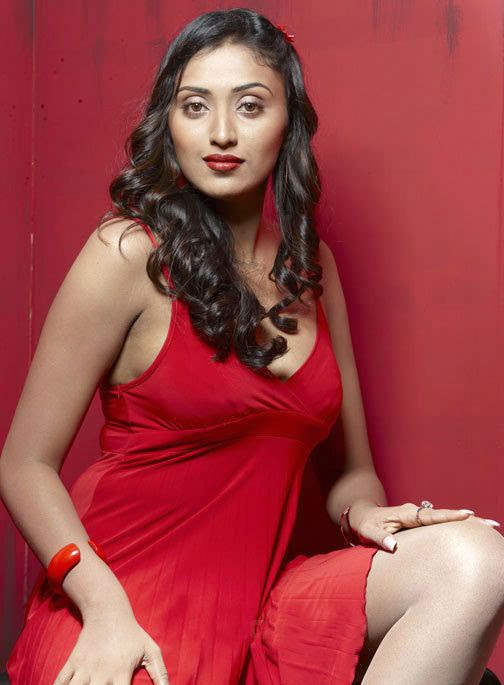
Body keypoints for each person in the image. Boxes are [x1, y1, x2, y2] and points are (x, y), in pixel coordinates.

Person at [2, 7, 503, 685]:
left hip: (266, 605)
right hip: (122, 601)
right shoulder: (127, 253)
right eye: (195, 105)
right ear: (169, 122)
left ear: (287, 123)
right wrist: (102, 605)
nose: (221, 132)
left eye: (249, 105)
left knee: (477, 562)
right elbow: (24, 464)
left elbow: (350, 472)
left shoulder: (312, 270)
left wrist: (366, 511)